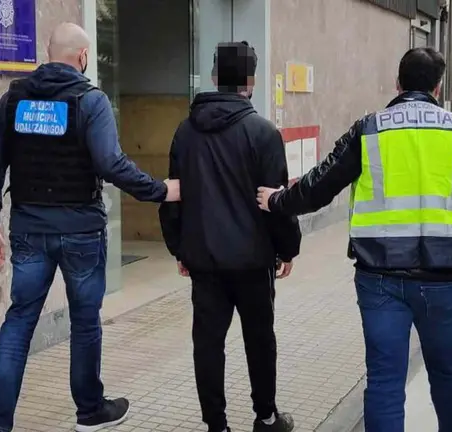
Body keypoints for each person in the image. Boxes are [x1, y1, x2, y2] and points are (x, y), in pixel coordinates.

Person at [256, 47, 452, 432]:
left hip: (380, 280)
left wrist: (277, 200)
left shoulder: (370, 129)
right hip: (446, 281)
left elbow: (319, 185)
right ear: (438, 88)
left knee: (384, 382)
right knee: (447, 376)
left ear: (397, 84)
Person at [0, 22, 180, 432]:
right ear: (83, 57)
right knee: (85, 321)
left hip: (29, 231)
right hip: (82, 232)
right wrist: (161, 190)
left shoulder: (14, 99)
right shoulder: (90, 99)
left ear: (49, 54)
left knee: (18, 322)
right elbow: (111, 164)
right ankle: (89, 411)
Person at [159, 41, 300, 432]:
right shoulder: (263, 132)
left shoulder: (185, 132)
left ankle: (216, 425)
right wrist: (288, 248)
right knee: (259, 339)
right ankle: (266, 417)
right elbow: (277, 200)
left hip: (204, 259)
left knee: (207, 344)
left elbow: (173, 196)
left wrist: (179, 249)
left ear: (215, 77)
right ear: (250, 81)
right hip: (254, 262)